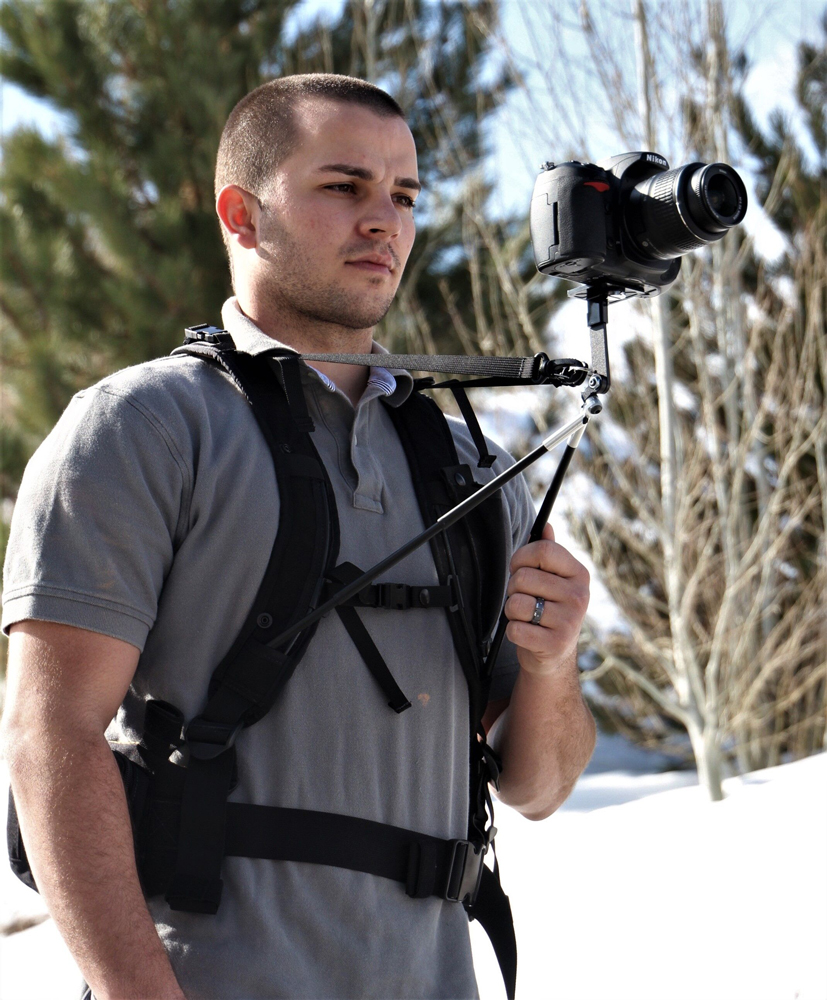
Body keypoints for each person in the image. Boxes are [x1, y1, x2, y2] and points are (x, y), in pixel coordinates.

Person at [1, 74, 595, 1000]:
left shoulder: (471, 466)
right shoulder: (142, 428)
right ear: (241, 214)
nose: (384, 220)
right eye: (344, 186)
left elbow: (537, 789)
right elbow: (50, 738)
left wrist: (552, 665)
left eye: (404, 196)